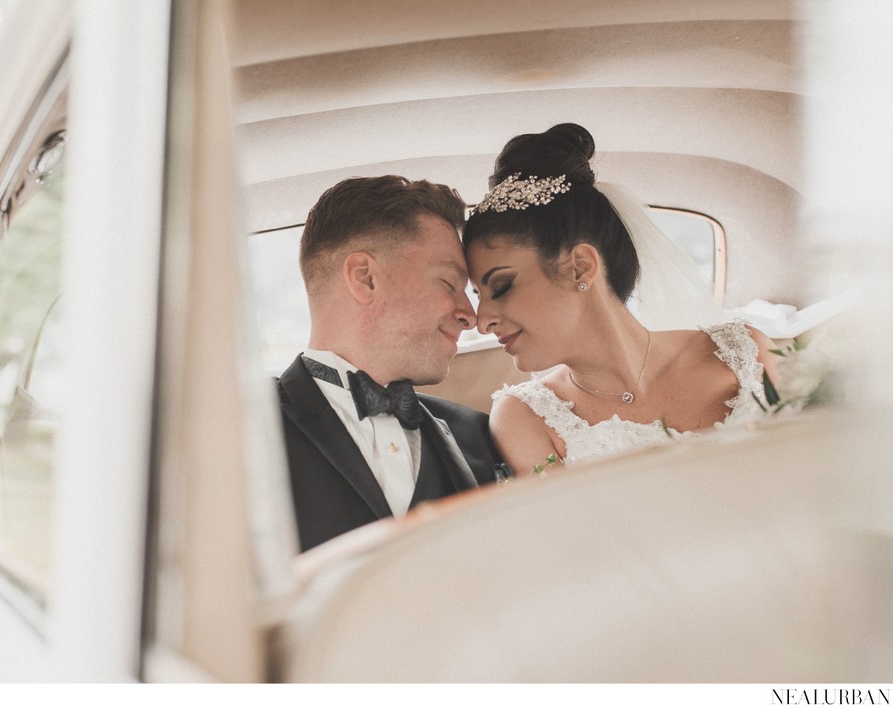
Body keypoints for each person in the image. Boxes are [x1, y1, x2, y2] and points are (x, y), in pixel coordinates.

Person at [463, 123, 780, 472]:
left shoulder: (745, 352)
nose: (482, 320)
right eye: (477, 294)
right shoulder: (524, 417)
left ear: (580, 268)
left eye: (502, 286)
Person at [277, 175, 508, 553]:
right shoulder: (237, 434)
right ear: (365, 278)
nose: (472, 316)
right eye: (450, 283)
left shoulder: (479, 433)